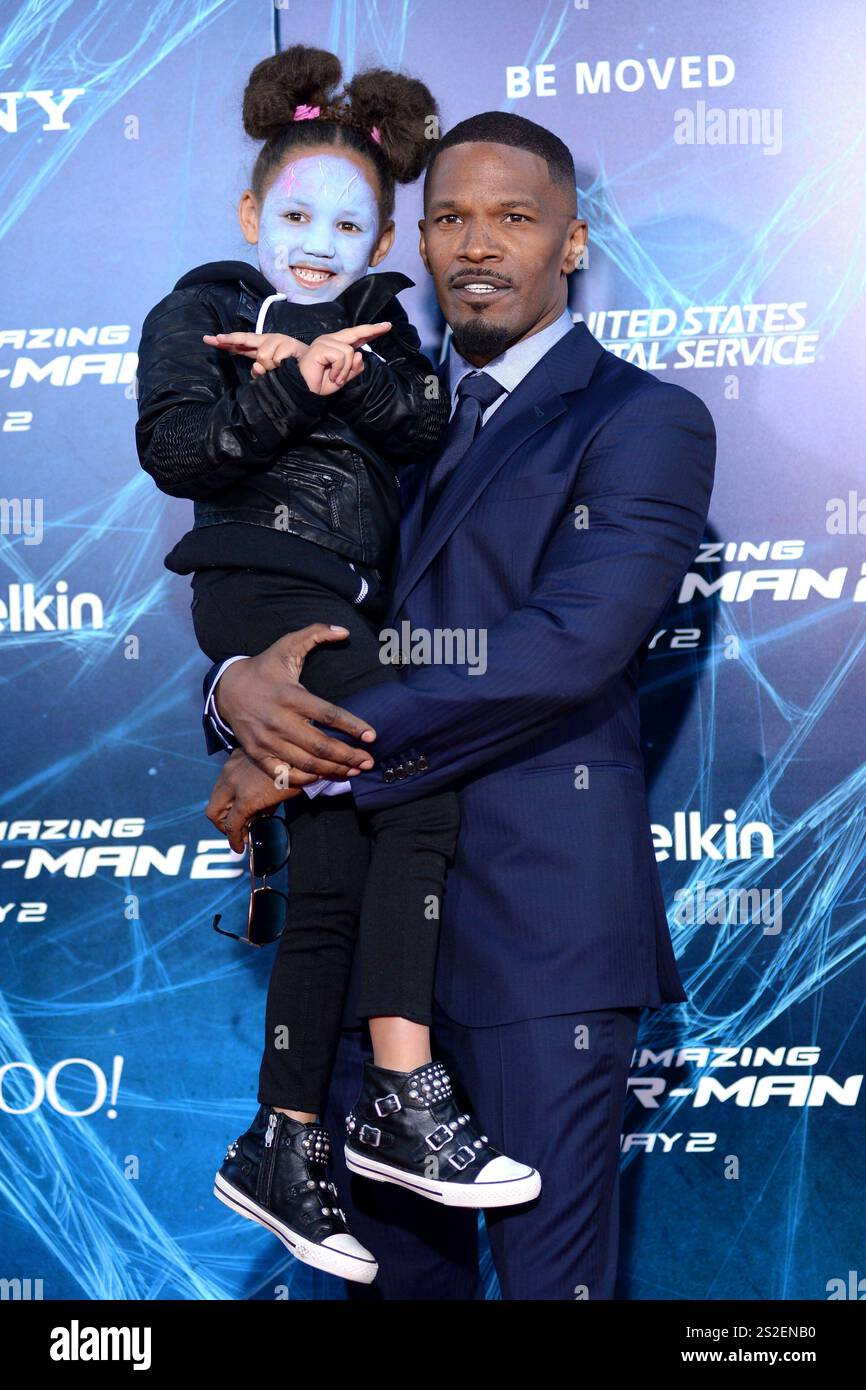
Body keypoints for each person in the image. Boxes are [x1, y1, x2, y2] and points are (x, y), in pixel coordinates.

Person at [204, 109, 717, 1301]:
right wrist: (238, 696)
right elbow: (279, 590)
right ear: (417, 242)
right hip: (362, 942)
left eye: (513, 216)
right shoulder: (364, 408)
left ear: (571, 243)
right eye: (448, 218)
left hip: (539, 946)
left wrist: (305, 756)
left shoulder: (641, 420)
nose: (476, 245)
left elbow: (561, 650)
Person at [135, 51, 540, 1287]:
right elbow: (175, 451)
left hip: (339, 600)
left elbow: (421, 425)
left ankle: (286, 1134)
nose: (319, 245)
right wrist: (274, 397)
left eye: (351, 224)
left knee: (338, 851)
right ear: (255, 216)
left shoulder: (386, 325)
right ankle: (402, 1087)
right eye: (297, 217)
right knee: (411, 778)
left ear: (382, 237)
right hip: (257, 590)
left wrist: (350, 375)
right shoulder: (200, 300)